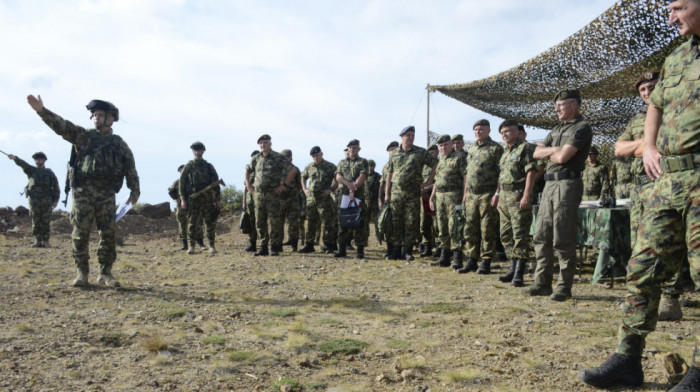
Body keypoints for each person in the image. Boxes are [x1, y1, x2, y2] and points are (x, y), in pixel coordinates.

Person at [579, 0, 699, 388]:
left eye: (679, 6)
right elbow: (656, 107)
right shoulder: (679, 56)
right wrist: (648, 146)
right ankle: (627, 358)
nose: (671, 15)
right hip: (668, 181)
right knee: (642, 268)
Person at [27, 95, 139, 287]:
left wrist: (134, 192)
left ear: (111, 118)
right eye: (94, 114)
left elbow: (130, 168)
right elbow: (62, 126)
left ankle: (106, 273)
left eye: (100, 114)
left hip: (106, 194)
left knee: (108, 234)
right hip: (83, 193)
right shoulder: (84, 137)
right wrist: (41, 111)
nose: (96, 117)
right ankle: (82, 272)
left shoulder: (119, 144)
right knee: (80, 233)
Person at [614, 70, 684, 320]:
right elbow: (619, 148)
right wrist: (646, 144)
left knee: (669, 241)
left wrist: (645, 145)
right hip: (640, 188)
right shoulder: (637, 120)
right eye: (643, 90)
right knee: (639, 244)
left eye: (652, 87)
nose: (647, 93)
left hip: (668, 182)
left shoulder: (678, 111)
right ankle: (643, 298)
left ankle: (669, 298)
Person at [529, 89, 592, 301]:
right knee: (541, 235)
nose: (556, 109)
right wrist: (553, 150)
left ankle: (564, 287)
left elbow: (564, 157)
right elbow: (536, 152)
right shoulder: (556, 129)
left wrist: (552, 151)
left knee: (562, 237)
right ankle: (542, 283)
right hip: (549, 185)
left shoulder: (582, 127)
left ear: (574, 105)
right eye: (556, 105)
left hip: (568, 184)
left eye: (561, 105)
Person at [493, 120, 537, 287]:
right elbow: (501, 177)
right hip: (504, 195)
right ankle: (512, 268)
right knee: (505, 234)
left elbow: (531, 172)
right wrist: (498, 195)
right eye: (502, 132)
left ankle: (519, 272)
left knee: (520, 234)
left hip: (518, 194)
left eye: (508, 131)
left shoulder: (526, 148)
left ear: (518, 132)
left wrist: (526, 195)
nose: (505, 134)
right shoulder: (505, 152)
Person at [384, 126, 438, 261]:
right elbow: (389, 174)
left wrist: (429, 181)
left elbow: (436, 164)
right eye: (408, 135)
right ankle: (396, 250)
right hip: (396, 193)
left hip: (413, 193)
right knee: (396, 222)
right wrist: (387, 193)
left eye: (412, 135)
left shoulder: (420, 152)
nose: (410, 137)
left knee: (411, 221)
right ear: (401, 137)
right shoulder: (394, 154)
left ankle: (407, 250)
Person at [459, 119, 503, 274]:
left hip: (487, 194)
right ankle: (471, 260)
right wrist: (465, 194)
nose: (478, 131)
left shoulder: (495, 148)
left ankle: (486, 261)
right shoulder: (472, 150)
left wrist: (497, 193)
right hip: (471, 195)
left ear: (489, 131)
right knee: (470, 228)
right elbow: (467, 174)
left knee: (487, 229)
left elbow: (501, 173)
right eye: (476, 129)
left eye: (481, 129)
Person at [245, 134, 297, 256]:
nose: (263, 145)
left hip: (273, 195)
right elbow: (247, 169)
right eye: (261, 143)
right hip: (258, 195)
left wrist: (284, 185)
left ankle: (274, 247)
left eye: (265, 142)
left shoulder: (278, 157)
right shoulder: (257, 158)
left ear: (270, 144)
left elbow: (293, 170)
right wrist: (248, 185)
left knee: (275, 221)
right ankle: (263, 247)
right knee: (260, 221)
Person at [428, 134, 467, 267]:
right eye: (440, 146)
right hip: (440, 196)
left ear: (451, 145)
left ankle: (457, 257)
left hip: (454, 195)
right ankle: (444, 256)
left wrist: (464, 196)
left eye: (445, 145)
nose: (443, 147)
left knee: (454, 226)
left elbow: (465, 177)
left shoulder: (459, 157)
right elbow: (437, 181)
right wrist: (432, 197)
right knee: (442, 226)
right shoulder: (441, 161)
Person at [8, 152, 60, 248]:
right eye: (37, 159)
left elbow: (56, 188)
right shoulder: (31, 171)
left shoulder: (49, 173)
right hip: (34, 201)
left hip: (46, 201)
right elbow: (23, 164)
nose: (38, 160)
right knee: (35, 221)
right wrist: (15, 158)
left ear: (44, 160)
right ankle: (38, 240)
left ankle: (46, 241)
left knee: (45, 221)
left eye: (40, 159)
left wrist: (55, 200)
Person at [179, 142, 221, 255]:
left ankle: (211, 246)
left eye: (199, 150)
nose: (197, 152)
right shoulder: (188, 166)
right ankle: (191, 246)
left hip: (207, 199)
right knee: (193, 223)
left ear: (203, 151)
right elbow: (182, 184)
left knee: (210, 223)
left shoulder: (208, 166)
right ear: (193, 152)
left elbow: (216, 184)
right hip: (193, 200)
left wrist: (217, 199)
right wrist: (183, 199)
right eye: (195, 150)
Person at [299, 146, 338, 254]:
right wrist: (304, 189)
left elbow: (337, 179)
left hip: (324, 198)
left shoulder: (330, 166)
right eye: (313, 156)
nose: (315, 158)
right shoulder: (309, 166)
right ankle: (309, 245)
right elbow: (303, 177)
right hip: (311, 198)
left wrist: (330, 190)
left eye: (317, 155)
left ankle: (328, 245)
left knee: (327, 222)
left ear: (322, 154)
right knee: (311, 221)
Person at [335, 139, 369, 258]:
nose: (352, 149)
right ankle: (342, 249)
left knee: (359, 221)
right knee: (343, 222)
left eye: (354, 147)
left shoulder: (363, 161)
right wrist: (348, 185)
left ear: (359, 149)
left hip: (358, 196)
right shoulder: (342, 162)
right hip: (344, 196)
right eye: (350, 147)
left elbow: (363, 176)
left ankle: (360, 251)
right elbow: (338, 176)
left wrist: (353, 188)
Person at [379, 141, 399, 257]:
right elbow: (382, 184)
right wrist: (380, 200)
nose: (392, 152)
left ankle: (401, 250)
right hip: (388, 199)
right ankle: (390, 248)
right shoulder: (386, 166)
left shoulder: (402, 162)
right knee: (387, 224)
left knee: (399, 224)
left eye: (394, 149)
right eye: (390, 150)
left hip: (400, 197)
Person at [280, 149, 302, 252]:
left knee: (293, 223)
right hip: (279, 200)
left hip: (292, 199)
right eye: (283, 157)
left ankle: (294, 245)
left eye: (287, 157)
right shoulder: (278, 169)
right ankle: (278, 244)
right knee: (278, 222)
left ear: (290, 158)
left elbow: (299, 185)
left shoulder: (295, 169)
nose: (285, 159)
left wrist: (292, 192)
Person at [419, 144, 439, 257]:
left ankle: (439, 246)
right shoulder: (424, 167)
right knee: (424, 223)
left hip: (435, 197)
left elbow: (438, 181)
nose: (432, 155)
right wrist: (423, 191)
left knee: (437, 224)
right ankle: (426, 245)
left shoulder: (440, 164)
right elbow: (420, 180)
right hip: (423, 198)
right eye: (429, 153)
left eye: (434, 152)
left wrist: (427, 190)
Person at [168, 165, 190, 251]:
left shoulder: (192, 181)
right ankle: (185, 244)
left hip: (192, 205)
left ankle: (198, 243)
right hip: (181, 206)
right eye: (182, 171)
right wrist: (175, 199)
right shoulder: (178, 182)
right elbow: (170, 190)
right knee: (182, 224)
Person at [242, 151, 260, 252]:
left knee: (261, 223)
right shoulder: (249, 172)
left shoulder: (263, 171)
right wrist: (244, 202)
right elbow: (245, 188)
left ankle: (263, 244)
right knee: (251, 223)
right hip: (250, 201)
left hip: (261, 200)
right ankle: (252, 244)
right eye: (252, 158)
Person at [366, 160, 382, 242]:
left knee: (377, 221)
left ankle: (379, 239)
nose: (370, 168)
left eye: (371, 166)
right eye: (368, 166)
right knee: (364, 222)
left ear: (374, 166)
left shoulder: (378, 177)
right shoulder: (363, 177)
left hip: (375, 202)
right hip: (365, 203)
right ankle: (363, 239)